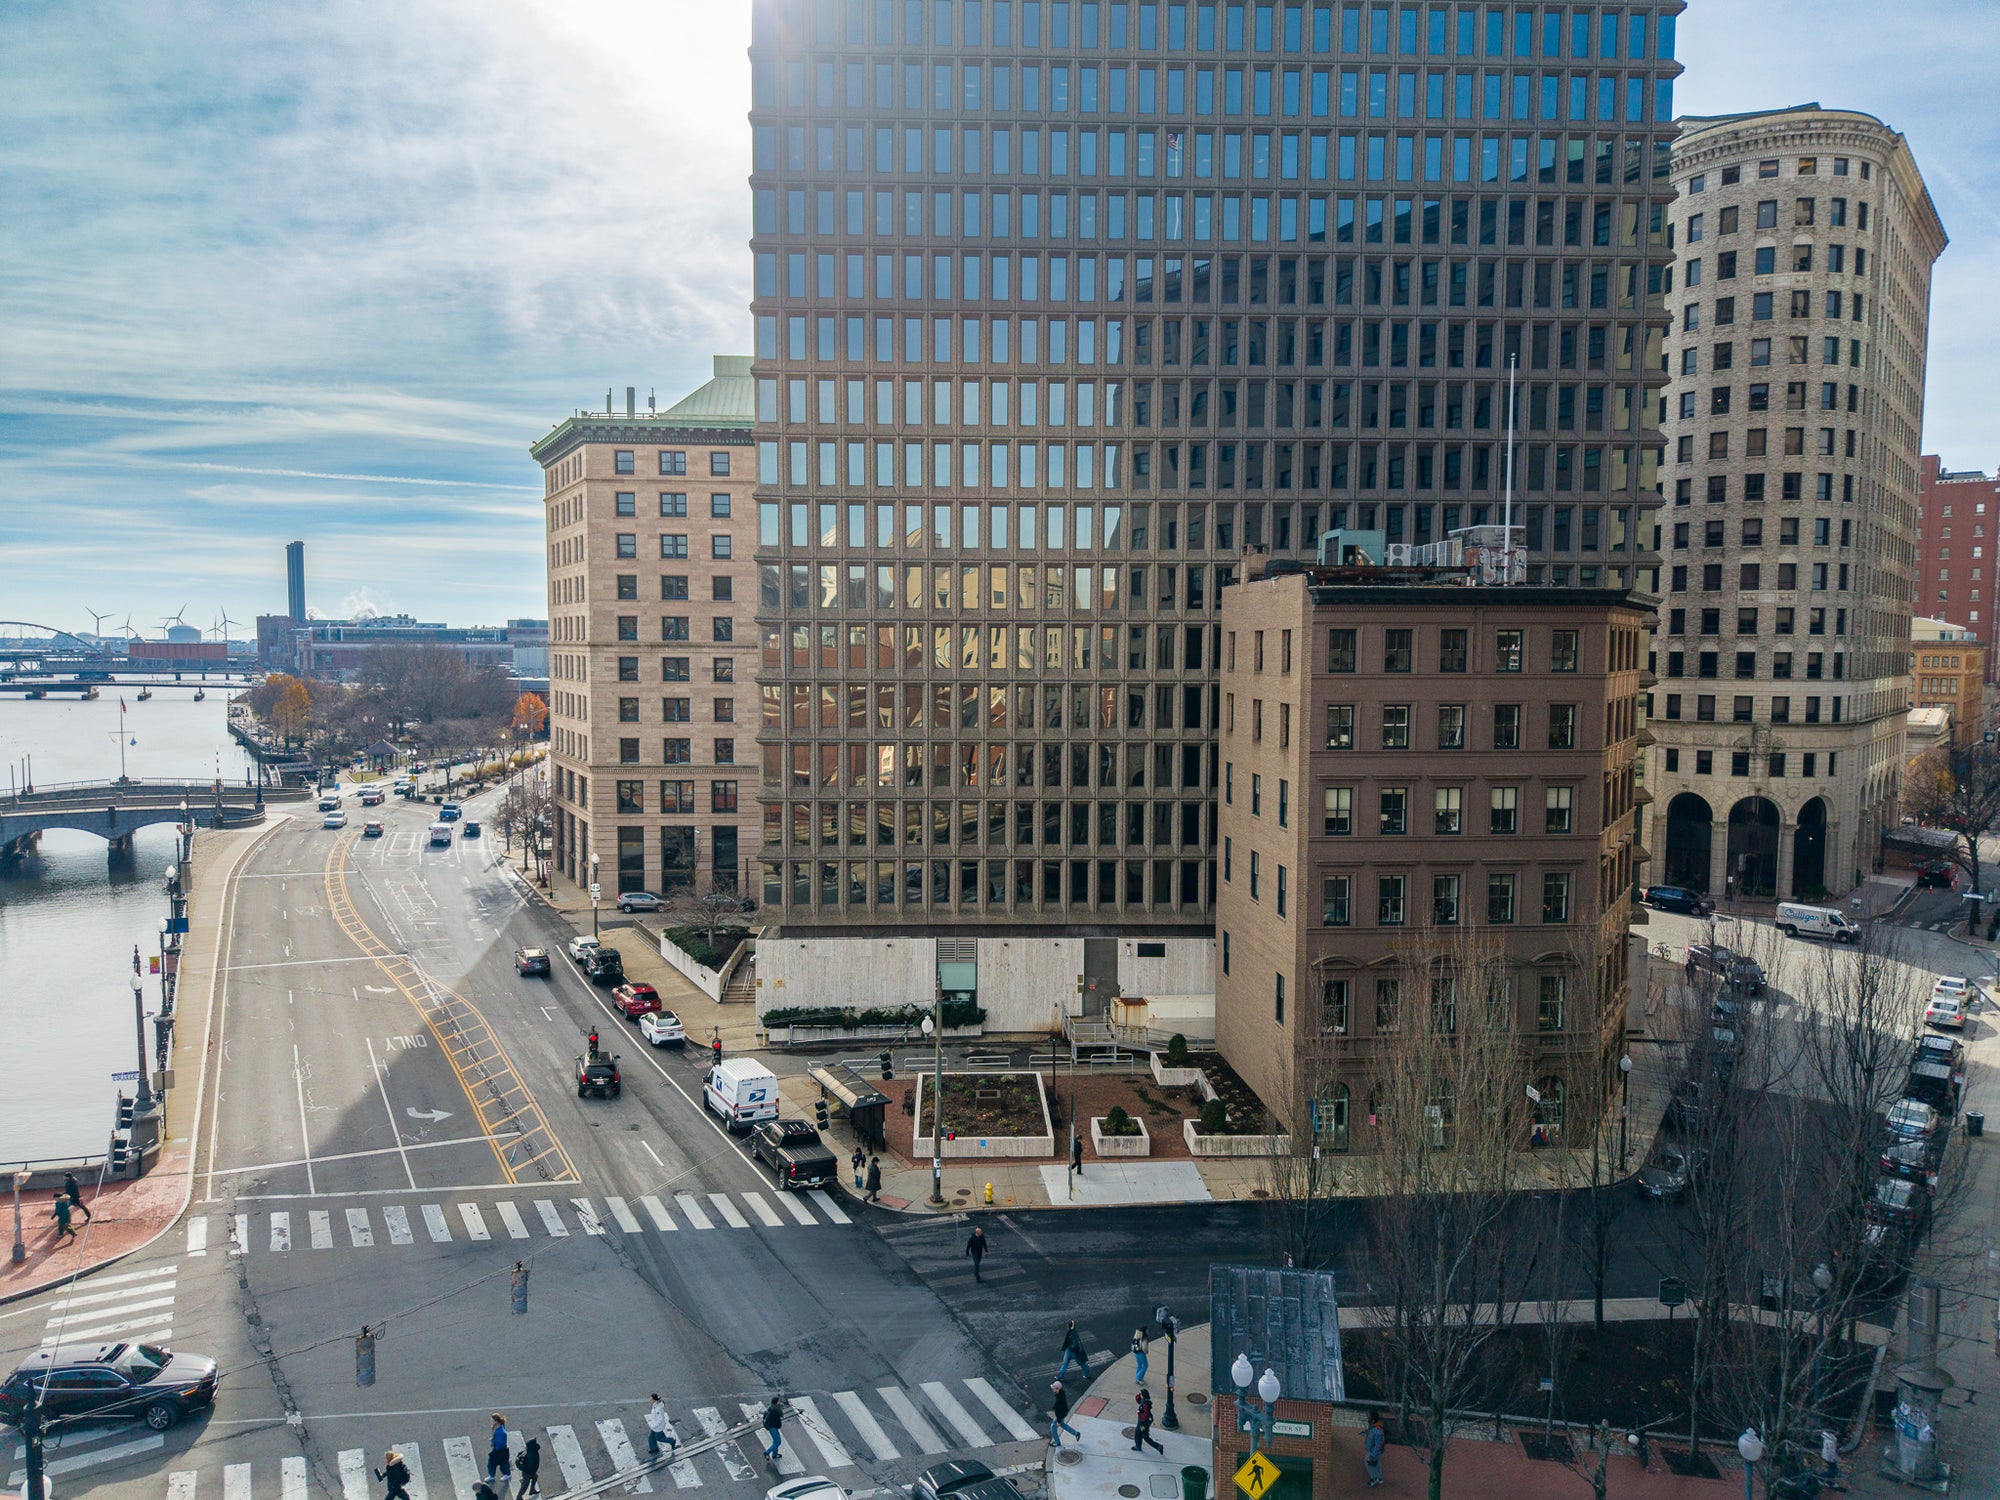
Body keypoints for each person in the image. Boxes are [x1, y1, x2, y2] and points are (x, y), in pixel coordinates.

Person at [1048, 1381, 1080, 1448]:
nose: (1052, 1389)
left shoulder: (1059, 1398)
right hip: (1064, 1412)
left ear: (1057, 1389)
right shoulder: (1061, 1393)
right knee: (1063, 1425)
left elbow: (1058, 1411)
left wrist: (1059, 1421)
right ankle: (1076, 1434)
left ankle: (1057, 1442)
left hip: (1060, 1414)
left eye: (1053, 1388)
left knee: (1053, 1428)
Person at [1132, 1388, 1164, 1455]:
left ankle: (1158, 1446)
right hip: (1141, 1422)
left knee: (1145, 1437)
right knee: (1137, 1433)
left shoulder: (1145, 1404)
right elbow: (1139, 1401)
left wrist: (1139, 1413)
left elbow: (1146, 1415)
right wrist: (1138, 1395)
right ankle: (1138, 1446)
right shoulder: (1143, 1401)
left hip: (1143, 1423)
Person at [1363, 1411, 1386, 1488]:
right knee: (1377, 1464)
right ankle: (1380, 1478)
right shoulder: (1374, 1426)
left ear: (1373, 1420)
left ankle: (1374, 1478)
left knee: (1368, 1463)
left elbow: (1378, 1445)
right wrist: (1366, 1432)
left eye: (1369, 1417)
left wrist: (1372, 1456)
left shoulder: (1378, 1430)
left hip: (1374, 1451)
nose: (1368, 1418)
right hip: (1375, 1451)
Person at [487, 1415, 512, 1483]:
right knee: (493, 1463)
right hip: (497, 1449)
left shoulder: (501, 1432)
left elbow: (500, 1442)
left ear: (496, 1421)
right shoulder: (497, 1427)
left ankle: (507, 1474)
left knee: (502, 1463)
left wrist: (493, 1441)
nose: (491, 1422)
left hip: (500, 1450)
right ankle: (492, 1475)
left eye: (492, 1420)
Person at [761, 1396, 784, 1463]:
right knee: (778, 1442)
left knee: (775, 1441)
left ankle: (775, 1454)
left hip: (772, 1427)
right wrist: (778, 1426)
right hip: (773, 1428)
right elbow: (775, 1421)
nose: (780, 1402)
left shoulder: (772, 1408)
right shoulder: (775, 1410)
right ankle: (767, 1452)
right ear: (776, 1402)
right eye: (779, 1401)